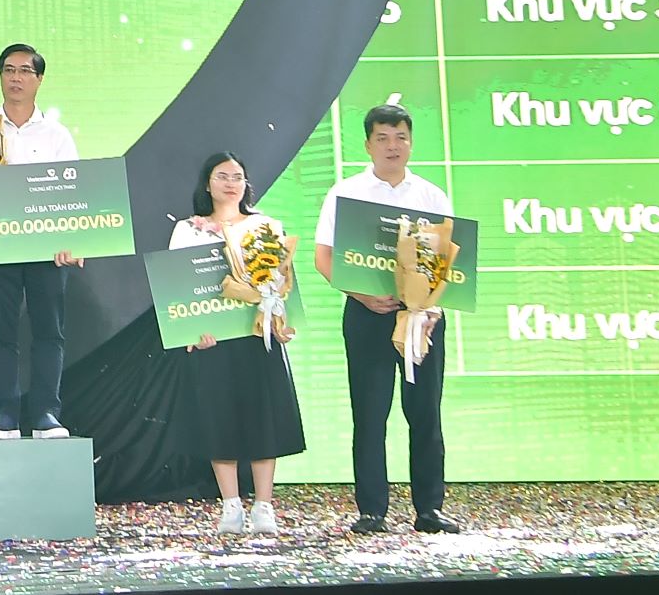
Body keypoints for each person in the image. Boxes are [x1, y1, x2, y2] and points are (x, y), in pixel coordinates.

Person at [315, 103, 458, 535]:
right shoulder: (346, 193)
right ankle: (372, 510)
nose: (392, 146)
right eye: (382, 138)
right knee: (370, 413)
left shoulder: (431, 196)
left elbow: (447, 262)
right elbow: (324, 257)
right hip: (366, 315)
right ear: (368, 145)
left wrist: (430, 308)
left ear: (410, 143)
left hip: (421, 320)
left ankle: (429, 509)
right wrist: (361, 294)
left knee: (425, 412)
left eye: (400, 138)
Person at [0, 43, 82, 441]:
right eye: (9, 70)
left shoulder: (57, 135)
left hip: (46, 249)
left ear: (39, 79)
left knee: (49, 332)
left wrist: (72, 241)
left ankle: (45, 414)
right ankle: (4, 414)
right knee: (1, 332)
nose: (16, 78)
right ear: (0, 76)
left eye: (25, 71)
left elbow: (74, 191)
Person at [171, 152, 304, 535]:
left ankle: (264, 506)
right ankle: (230, 505)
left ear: (246, 184)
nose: (231, 183)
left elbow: (282, 281)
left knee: (263, 419)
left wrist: (282, 321)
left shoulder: (266, 226)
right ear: (207, 183)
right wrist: (191, 330)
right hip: (212, 342)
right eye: (222, 176)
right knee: (219, 418)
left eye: (238, 176)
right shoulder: (188, 231)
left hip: (257, 336)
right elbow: (178, 285)